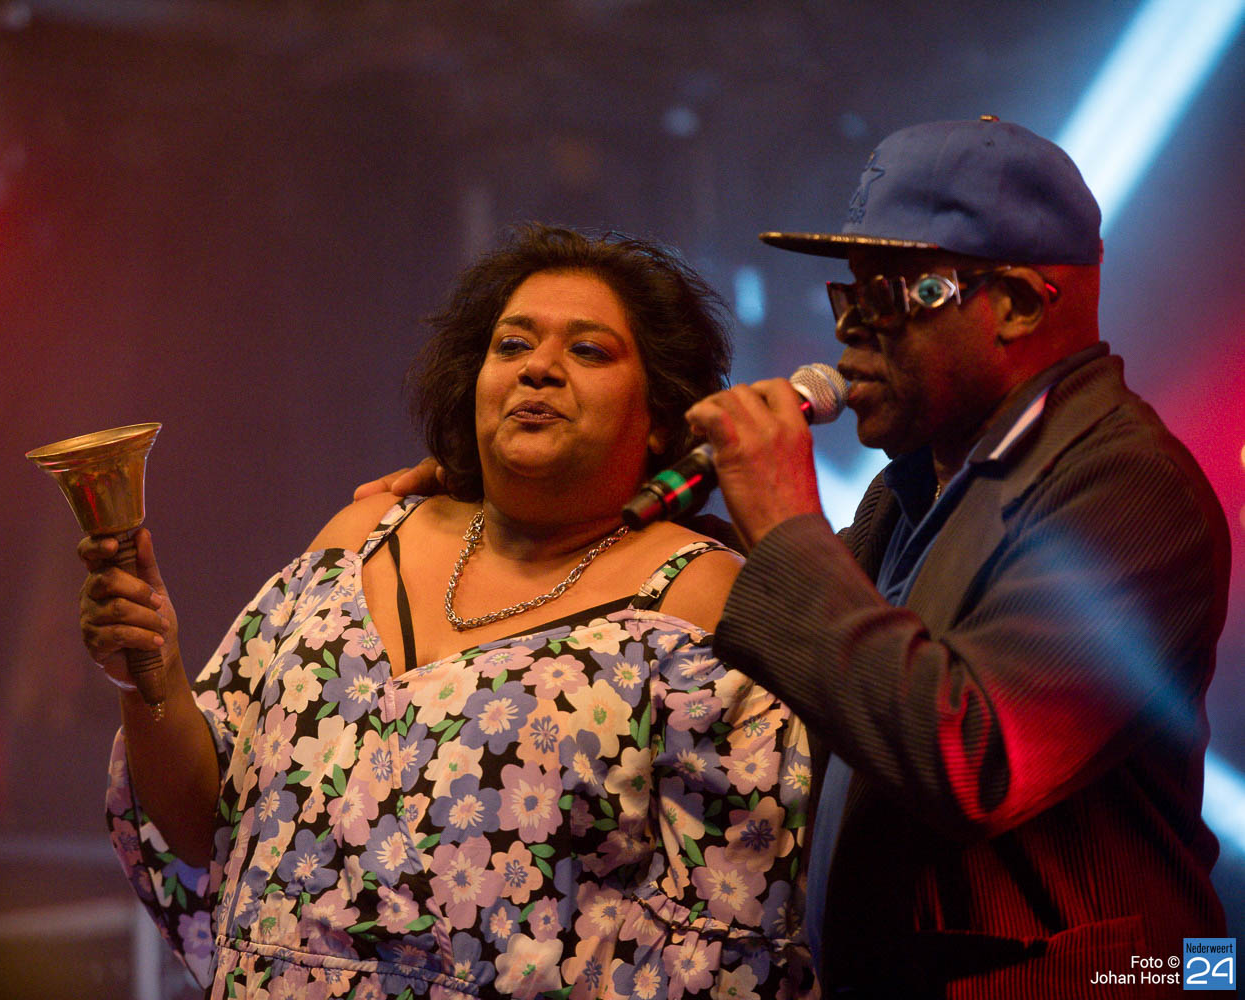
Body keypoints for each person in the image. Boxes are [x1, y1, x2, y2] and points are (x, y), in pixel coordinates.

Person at [81, 223, 819, 999]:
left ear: (662, 413)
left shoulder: (699, 597)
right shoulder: (359, 540)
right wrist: (153, 677)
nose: (538, 367)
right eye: (512, 345)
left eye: (588, 351)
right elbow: (205, 829)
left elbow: (737, 928)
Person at [682, 118, 1230, 996]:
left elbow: (973, 758)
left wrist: (784, 523)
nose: (849, 334)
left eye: (890, 297)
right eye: (847, 297)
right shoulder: (907, 491)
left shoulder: (1129, 488)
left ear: (1015, 304)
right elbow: (840, 664)